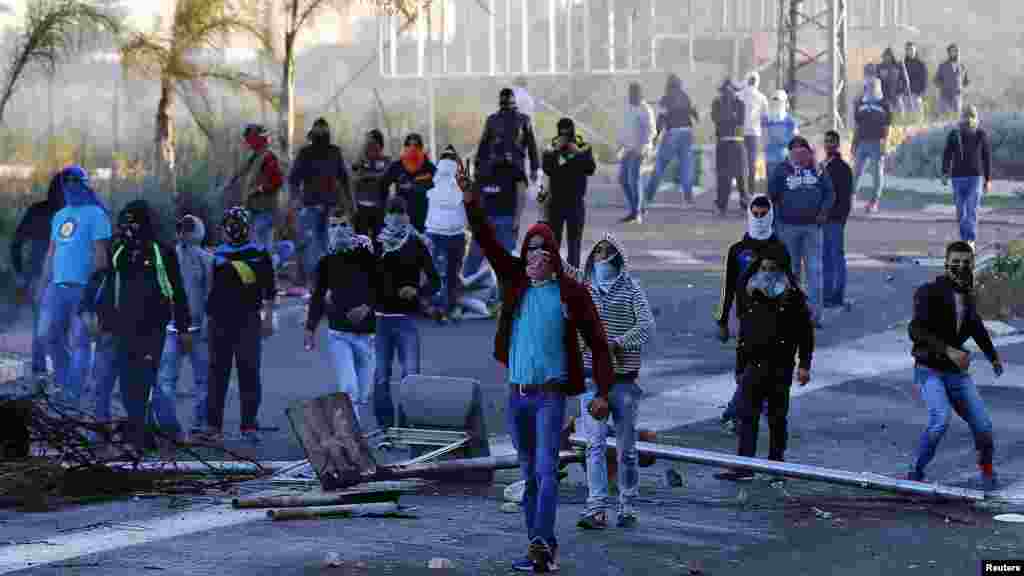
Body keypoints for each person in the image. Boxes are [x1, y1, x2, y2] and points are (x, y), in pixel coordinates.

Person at [459, 166, 614, 573]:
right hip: (518, 396)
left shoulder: (571, 293)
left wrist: (602, 393)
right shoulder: (515, 282)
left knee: (546, 471)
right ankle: (539, 547)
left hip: (550, 396)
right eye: (529, 252)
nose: (532, 260)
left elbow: (598, 343)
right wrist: (471, 200)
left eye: (541, 253)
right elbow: (488, 241)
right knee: (528, 475)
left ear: (552, 259)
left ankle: (542, 544)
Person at [559, 234, 654, 530]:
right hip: (591, 380)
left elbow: (647, 326)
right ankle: (597, 508)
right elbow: (559, 265)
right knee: (594, 446)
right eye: (597, 252)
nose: (601, 257)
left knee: (626, 449)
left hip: (623, 381)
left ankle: (627, 505)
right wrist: (544, 213)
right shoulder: (585, 288)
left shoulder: (632, 290)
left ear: (617, 258)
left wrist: (617, 343)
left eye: (606, 253)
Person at [82, 200, 192, 456]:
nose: (125, 228)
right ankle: (147, 433)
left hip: (153, 328)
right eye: (123, 222)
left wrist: (184, 327)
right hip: (120, 327)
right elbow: (103, 281)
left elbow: (176, 290)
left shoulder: (161, 252)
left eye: (131, 223)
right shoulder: (118, 250)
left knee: (142, 381)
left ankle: (154, 435)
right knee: (128, 383)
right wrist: (92, 311)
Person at [907, 241, 1002, 491]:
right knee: (940, 419)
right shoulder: (929, 292)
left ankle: (987, 469)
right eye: (955, 262)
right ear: (946, 263)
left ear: (972, 265)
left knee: (983, 425)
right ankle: (915, 471)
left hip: (956, 374)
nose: (960, 267)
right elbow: (915, 329)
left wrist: (992, 356)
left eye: (966, 263)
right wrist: (948, 350)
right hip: (929, 370)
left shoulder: (968, 295)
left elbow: (976, 326)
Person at [715, 254, 814, 481]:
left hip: (780, 366)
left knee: (777, 418)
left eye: (772, 268)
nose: (767, 272)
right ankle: (745, 465)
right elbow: (744, 334)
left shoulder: (794, 298)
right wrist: (740, 367)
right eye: (764, 267)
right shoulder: (751, 293)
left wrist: (804, 365)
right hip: (754, 364)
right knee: (747, 416)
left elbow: (805, 334)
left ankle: (776, 465)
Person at [715, 195, 792, 432]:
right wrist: (722, 319)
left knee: (759, 369)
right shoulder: (737, 250)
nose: (759, 219)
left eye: (763, 215)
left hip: (773, 321)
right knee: (745, 368)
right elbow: (727, 286)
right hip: (744, 319)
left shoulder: (780, 249)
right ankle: (741, 411)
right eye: (755, 214)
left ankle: (739, 412)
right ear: (749, 214)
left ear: (770, 216)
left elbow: (791, 286)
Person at [37, 165, 111, 408]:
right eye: (65, 182)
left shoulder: (97, 215)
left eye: (74, 181)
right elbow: (51, 252)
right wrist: (43, 283)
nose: (70, 186)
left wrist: (95, 290)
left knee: (81, 341)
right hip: (57, 287)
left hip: (83, 288)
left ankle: (74, 393)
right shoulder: (59, 216)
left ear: (85, 184)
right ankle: (64, 382)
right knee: (49, 336)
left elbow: (101, 256)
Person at [204, 207, 276, 443]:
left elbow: (269, 289)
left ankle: (248, 424)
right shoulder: (217, 255)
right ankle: (214, 425)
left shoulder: (257, 253)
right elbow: (210, 290)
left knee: (247, 371)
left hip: (247, 320)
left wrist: (267, 318)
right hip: (221, 320)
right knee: (219, 373)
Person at [304, 210, 377, 427]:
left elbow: (382, 287)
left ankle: (353, 423)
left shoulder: (366, 257)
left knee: (364, 392)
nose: (339, 230)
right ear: (328, 231)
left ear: (352, 229)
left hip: (368, 334)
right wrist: (310, 328)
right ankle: (352, 433)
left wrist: (367, 306)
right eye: (334, 226)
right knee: (349, 388)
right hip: (339, 334)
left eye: (343, 225)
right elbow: (317, 296)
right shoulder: (326, 262)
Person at [372, 196, 439, 430]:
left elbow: (435, 281)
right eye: (392, 212)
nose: (396, 216)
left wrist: (418, 290)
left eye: (400, 212)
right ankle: (386, 427)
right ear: (385, 216)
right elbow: (363, 279)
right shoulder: (375, 244)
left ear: (407, 215)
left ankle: (407, 425)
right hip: (380, 320)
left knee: (411, 375)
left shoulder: (416, 244)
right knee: (381, 376)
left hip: (407, 319)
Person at [153, 215, 213, 439]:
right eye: (181, 228)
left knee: (202, 379)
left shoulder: (207, 260)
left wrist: (206, 323)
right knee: (167, 379)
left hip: (197, 327)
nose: (185, 233)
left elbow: (210, 294)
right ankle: (169, 425)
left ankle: (201, 422)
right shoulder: (167, 256)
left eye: (189, 229)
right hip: (172, 327)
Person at [768, 136, 834, 328]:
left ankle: (815, 316)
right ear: (790, 153)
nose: (800, 156)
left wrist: (823, 212)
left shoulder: (818, 169)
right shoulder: (781, 170)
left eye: (803, 152)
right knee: (790, 271)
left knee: (814, 270)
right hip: (787, 227)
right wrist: (775, 221)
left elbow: (830, 193)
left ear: (809, 152)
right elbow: (771, 195)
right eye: (795, 152)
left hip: (813, 227)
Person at [288, 117, 352, 299]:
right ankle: (314, 287)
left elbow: (344, 179)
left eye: (324, 132)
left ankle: (328, 287)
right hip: (311, 207)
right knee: (312, 247)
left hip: (330, 208)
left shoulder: (334, 152)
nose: (322, 136)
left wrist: (350, 205)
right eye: (319, 133)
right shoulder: (305, 153)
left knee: (328, 246)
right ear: (313, 134)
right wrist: (295, 201)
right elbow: (293, 179)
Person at [10, 173, 63, 377]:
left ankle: (47, 373)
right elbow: (16, 243)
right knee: (47, 327)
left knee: (46, 327)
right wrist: (21, 274)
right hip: (43, 277)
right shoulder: (42, 211)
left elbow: (16, 243)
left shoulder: (41, 211)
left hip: (51, 277)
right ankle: (46, 373)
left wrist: (21, 274)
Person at [475, 87, 541, 240]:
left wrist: (479, 168)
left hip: (499, 169)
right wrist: (534, 168)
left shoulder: (496, 119)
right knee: (512, 204)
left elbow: (483, 146)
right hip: (510, 169)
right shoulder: (521, 119)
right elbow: (531, 146)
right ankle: (508, 231)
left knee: (498, 204)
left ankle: (502, 232)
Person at [542, 117, 597, 269]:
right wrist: (557, 152)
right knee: (553, 242)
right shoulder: (551, 147)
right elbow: (547, 168)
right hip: (556, 202)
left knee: (574, 243)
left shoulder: (583, 146)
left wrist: (577, 153)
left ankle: (573, 276)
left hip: (576, 201)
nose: (565, 136)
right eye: (562, 132)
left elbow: (591, 169)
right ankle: (553, 274)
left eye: (568, 132)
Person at [643, 73, 699, 214]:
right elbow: (695, 114)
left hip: (673, 133)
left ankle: (648, 197)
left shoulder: (666, 99)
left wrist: (655, 138)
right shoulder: (686, 97)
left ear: (668, 85)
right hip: (687, 133)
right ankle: (688, 199)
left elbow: (661, 119)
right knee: (686, 167)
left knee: (660, 165)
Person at [425, 145, 469, 323]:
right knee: (448, 272)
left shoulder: (438, 179)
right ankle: (446, 307)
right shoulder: (456, 180)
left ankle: (445, 307)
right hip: (446, 233)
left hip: (445, 232)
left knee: (445, 272)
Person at [941, 105, 991, 252]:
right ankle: (965, 238)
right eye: (966, 116)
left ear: (976, 118)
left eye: (971, 116)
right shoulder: (954, 134)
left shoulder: (981, 134)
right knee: (961, 212)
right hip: (957, 178)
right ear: (962, 117)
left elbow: (986, 157)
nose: (968, 120)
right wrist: (944, 173)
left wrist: (988, 180)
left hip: (975, 178)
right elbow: (947, 154)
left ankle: (970, 240)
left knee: (971, 210)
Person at [238, 124, 285, 269]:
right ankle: (265, 276)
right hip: (256, 209)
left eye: (250, 138)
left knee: (261, 246)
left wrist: (258, 190)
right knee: (260, 246)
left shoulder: (268, 157)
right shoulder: (255, 156)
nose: (248, 142)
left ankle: (267, 276)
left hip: (265, 210)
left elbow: (277, 181)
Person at [821, 130, 854, 310]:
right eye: (826, 142)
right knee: (825, 258)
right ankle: (826, 295)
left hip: (834, 220)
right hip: (822, 220)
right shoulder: (822, 166)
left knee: (835, 257)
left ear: (838, 144)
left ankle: (837, 295)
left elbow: (845, 198)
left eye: (832, 142)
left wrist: (840, 219)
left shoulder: (842, 168)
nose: (829, 145)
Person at [380, 133, 436, 234]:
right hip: (401, 218)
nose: (412, 148)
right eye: (409, 145)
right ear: (405, 147)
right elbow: (382, 185)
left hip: (423, 218)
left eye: (416, 145)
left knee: (420, 247)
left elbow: (439, 187)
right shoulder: (397, 166)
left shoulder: (429, 167)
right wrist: (388, 205)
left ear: (421, 148)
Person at [617, 82, 655, 223]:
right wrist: (621, 144)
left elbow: (651, 131)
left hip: (640, 149)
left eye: (634, 94)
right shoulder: (628, 108)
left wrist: (642, 146)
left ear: (639, 94)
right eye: (630, 93)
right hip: (628, 148)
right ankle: (636, 208)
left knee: (633, 178)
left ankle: (636, 211)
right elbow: (625, 128)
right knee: (622, 179)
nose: (631, 96)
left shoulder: (645, 109)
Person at [853, 78, 892, 214]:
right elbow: (857, 126)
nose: (870, 89)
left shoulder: (884, 104)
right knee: (856, 172)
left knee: (876, 174)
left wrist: (885, 143)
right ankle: (851, 198)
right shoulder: (860, 103)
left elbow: (888, 126)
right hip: (862, 143)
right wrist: (854, 143)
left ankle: (874, 202)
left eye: (873, 87)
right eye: (868, 87)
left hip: (877, 142)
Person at [711, 78, 748, 216]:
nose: (728, 93)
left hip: (731, 142)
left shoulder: (737, 104)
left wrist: (726, 118)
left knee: (737, 176)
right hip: (730, 143)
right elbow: (718, 120)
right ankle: (723, 205)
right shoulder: (722, 103)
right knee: (730, 176)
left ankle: (726, 205)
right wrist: (730, 117)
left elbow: (738, 121)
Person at [352, 129, 392, 238]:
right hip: (361, 207)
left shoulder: (386, 160)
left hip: (380, 208)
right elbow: (355, 178)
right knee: (362, 244)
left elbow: (384, 177)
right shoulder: (360, 160)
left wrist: (366, 176)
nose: (370, 145)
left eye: (373, 142)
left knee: (379, 241)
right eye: (367, 142)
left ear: (380, 144)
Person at [740, 71, 770, 196]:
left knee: (741, 162)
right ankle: (751, 191)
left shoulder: (740, 95)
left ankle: (743, 191)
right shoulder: (762, 97)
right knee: (752, 162)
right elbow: (766, 117)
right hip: (754, 133)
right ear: (757, 82)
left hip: (740, 132)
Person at [761, 90, 799, 184]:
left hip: (773, 157)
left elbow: (764, 138)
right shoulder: (790, 120)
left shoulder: (766, 119)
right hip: (782, 157)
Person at [934, 43, 969, 118]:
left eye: (955, 51)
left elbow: (966, 81)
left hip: (957, 96)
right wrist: (942, 87)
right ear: (948, 53)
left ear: (957, 52)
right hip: (944, 96)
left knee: (957, 117)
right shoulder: (943, 65)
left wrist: (961, 89)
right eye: (951, 51)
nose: (953, 53)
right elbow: (936, 80)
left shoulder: (962, 66)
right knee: (943, 117)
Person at [877, 47, 909, 113]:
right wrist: (880, 93)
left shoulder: (899, 66)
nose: (887, 58)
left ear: (892, 56)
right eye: (885, 56)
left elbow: (905, 80)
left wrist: (901, 91)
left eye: (889, 55)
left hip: (897, 95)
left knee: (900, 114)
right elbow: (877, 81)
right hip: (885, 96)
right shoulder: (880, 67)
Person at [903, 41, 929, 118]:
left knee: (918, 117)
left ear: (915, 50)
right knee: (907, 116)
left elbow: (924, 79)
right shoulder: (903, 64)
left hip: (917, 94)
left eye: (911, 49)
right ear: (906, 51)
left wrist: (921, 92)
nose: (910, 51)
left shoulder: (921, 64)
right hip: (905, 95)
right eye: (908, 49)